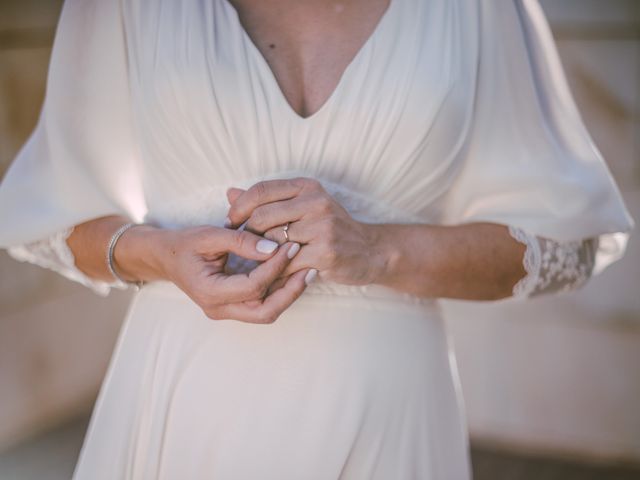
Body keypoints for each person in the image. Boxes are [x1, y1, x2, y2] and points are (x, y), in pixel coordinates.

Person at [0, 0, 634, 478]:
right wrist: (160, 255)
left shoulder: (477, 9)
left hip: (388, 407)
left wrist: (379, 248)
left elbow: (560, 243)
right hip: (183, 394)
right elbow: (53, 216)